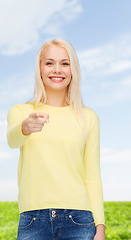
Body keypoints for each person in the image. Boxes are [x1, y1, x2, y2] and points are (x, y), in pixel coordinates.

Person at [6, 38, 105, 240]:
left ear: (73, 70)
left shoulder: (89, 117)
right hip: (33, 221)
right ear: (40, 69)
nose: (57, 69)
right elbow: (12, 140)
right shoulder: (22, 111)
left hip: (79, 221)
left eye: (65, 63)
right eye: (49, 63)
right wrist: (25, 127)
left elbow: (93, 176)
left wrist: (100, 227)